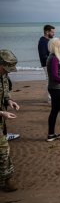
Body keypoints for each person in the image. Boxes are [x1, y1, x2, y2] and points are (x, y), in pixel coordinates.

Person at [0, 49, 21, 192]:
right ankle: (7, 180)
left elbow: (5, 92)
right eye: (6, 68)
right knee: (3, 148)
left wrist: (9, 102)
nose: (8, 72)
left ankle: (7, 179)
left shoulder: (4, 75)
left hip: (1, 119)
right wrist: (1, 112)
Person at [38, 24, 55, 103]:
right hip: (47, 64)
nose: (53, 33)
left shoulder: (48, 40)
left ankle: (51, 97)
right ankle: (50, 99)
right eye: (52, 32)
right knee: (49, 80)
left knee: (51, 80)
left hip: (50, 63)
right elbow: (43, 55)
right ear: (46, 32)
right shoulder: (43, 41)